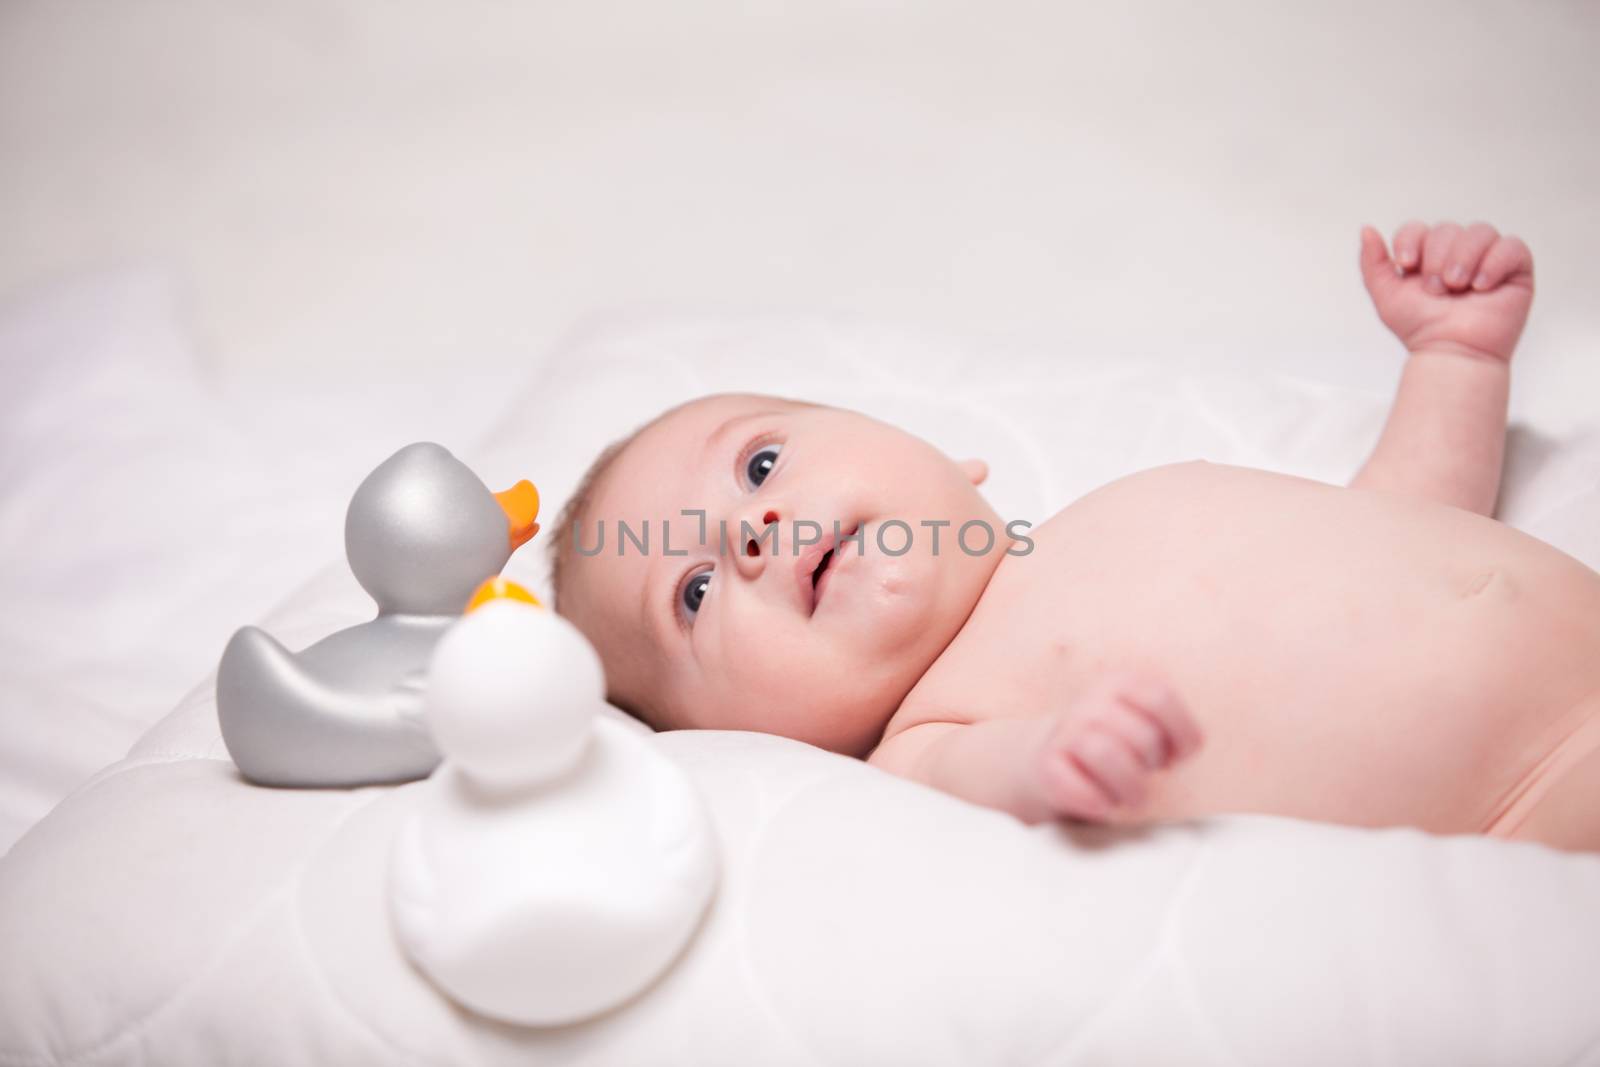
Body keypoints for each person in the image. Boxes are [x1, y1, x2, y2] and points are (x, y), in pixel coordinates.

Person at [547, 221, 1600, 852]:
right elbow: (999, 785)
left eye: (762, 463)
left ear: (945, 461)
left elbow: (1406, 512)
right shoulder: (926, 745)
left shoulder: (1116, 508)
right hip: (1534, 811)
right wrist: (1061, 758)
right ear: (738, 739)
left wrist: (1454, 361)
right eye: (690, 592)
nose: (753, 529)